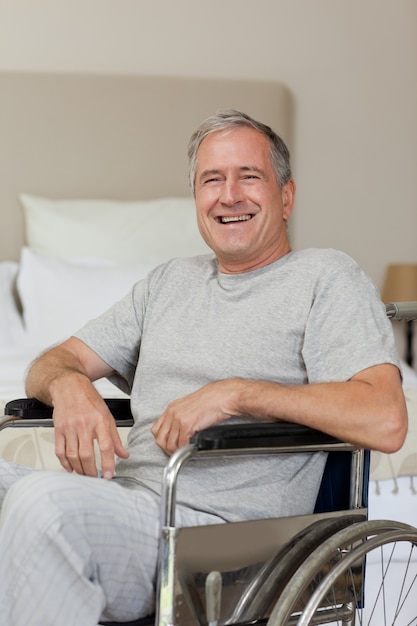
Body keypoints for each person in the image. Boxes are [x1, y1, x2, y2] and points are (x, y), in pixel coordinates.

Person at [0, 109, 407, 625]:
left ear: (286, 196)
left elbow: (386, 419)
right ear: (196, 198)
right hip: (125, 509)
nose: (229, 194)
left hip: (218, 539)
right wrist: (71, 386)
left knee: (44, 506)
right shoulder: (167, 283)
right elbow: (55, 361)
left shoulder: (325, 277)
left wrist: (235, 393)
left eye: (249, 176)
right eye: (212, 179)